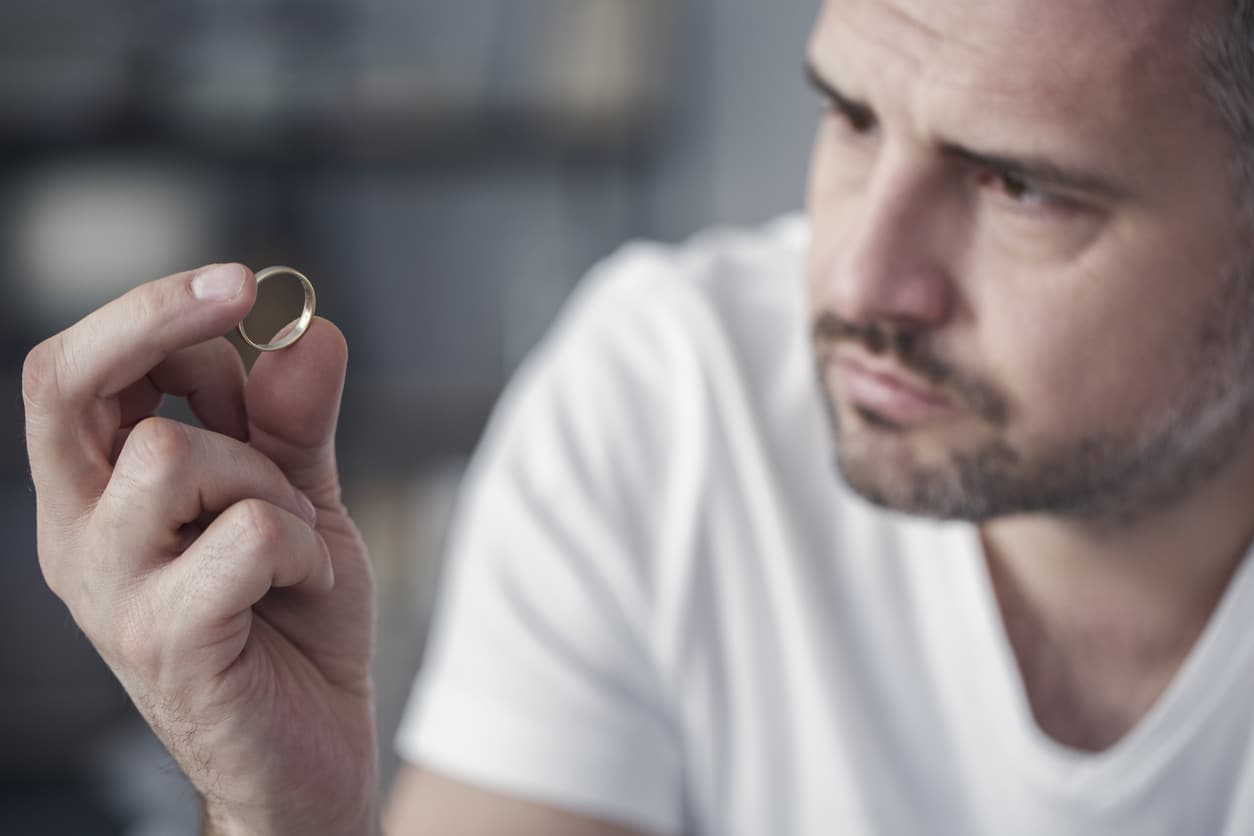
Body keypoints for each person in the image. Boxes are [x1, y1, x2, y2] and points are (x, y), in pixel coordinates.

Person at [22, 0, 1254, 832]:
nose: (861, 282)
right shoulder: (674, 398)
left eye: (1021, 186)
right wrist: (282, 813)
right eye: (853, 118)